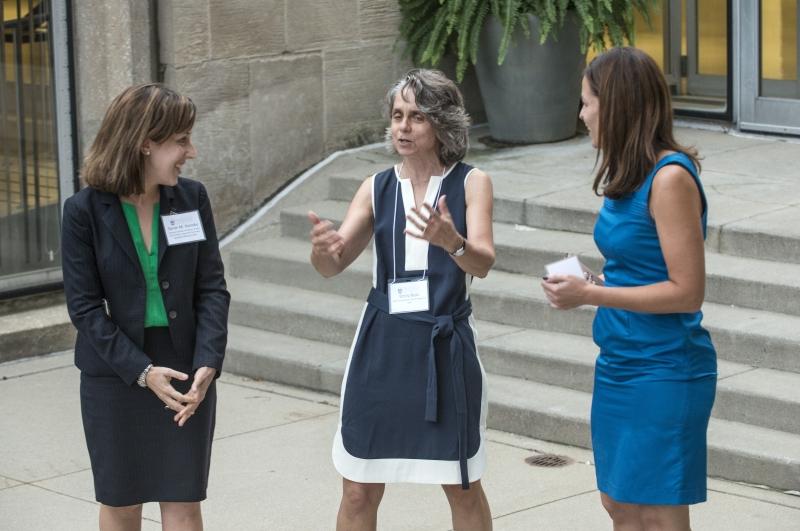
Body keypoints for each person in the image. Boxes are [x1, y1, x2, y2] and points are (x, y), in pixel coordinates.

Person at [308, 69, 495, 531]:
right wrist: (321, 251)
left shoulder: (472, 183)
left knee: (461, 484)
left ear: (441, 125)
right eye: (397, 116)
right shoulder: (376, 187)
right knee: (357, 487)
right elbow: (334, 265)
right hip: (382, 347)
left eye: (416, 117)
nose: (403, 127)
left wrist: (452, 241)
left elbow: (483, 263)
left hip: (444, 345)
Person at [542, 47, 717, 531]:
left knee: (658, 511)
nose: (581, 115)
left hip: (665, 367)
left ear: (614, 105)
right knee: (618, 503)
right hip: (619, 360)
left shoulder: (671, 178)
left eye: (586, 103)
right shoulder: (631, 173)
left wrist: (591, 295)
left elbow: (687, 292)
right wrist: (595, 282)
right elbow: (640, 269)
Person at [61, 83, 230, 531]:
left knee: (183, 503)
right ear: (144, 142)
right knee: (121, 502)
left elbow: (212, 288)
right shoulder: (83, 211)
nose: (189, 152)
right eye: (180, 141)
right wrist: (141, 370)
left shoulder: (191, 198)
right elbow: (84, 308)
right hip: (117, 374)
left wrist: (208, 361)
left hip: (185, 370)